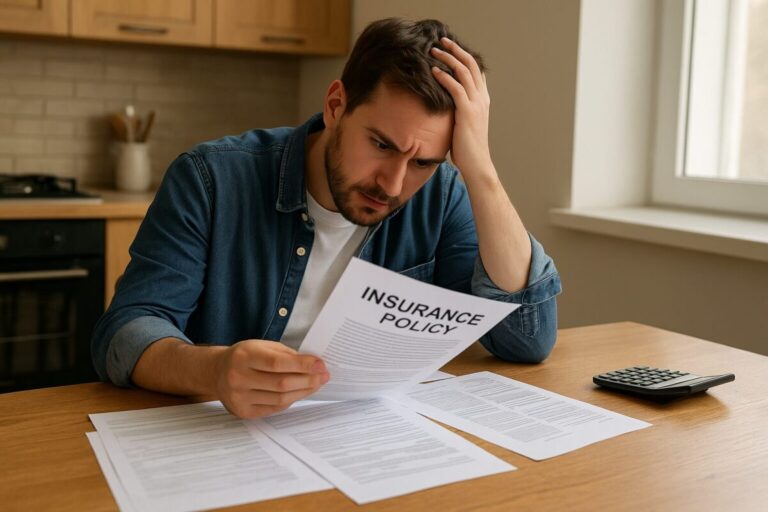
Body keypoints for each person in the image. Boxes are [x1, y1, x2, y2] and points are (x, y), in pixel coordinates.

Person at [91, 18, 562, 419]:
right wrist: (213, 370)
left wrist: (479, 168)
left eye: (422, 162)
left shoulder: (440, 195)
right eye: (381, 145)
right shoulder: (210, 179)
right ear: (336, 105)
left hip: (363, 441)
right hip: (219, 440)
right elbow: (128, 329)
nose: (393, 185)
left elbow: (527, 340)